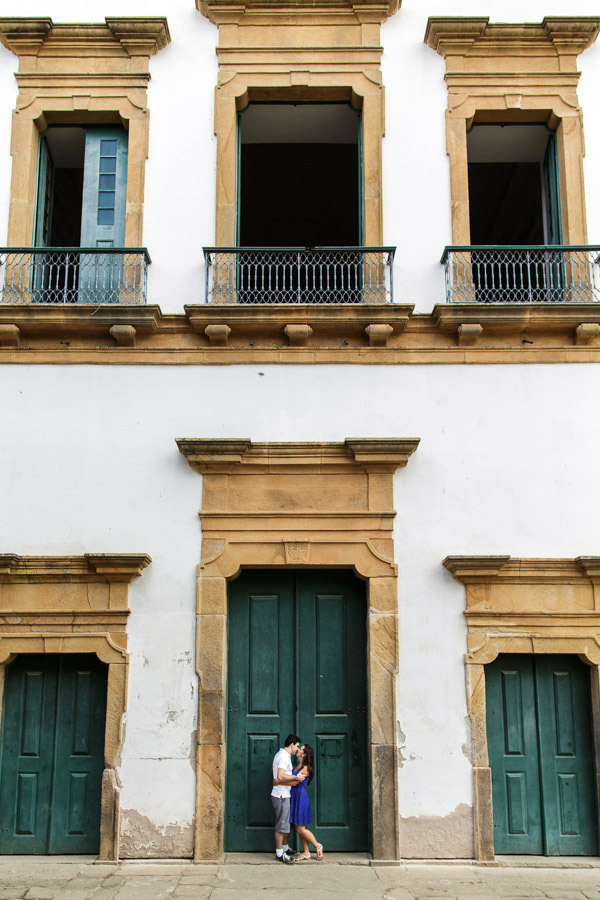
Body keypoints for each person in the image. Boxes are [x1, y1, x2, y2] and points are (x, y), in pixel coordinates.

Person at [275, 743, 323, 861]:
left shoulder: (305, 768)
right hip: (293, 795)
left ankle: (317, 845)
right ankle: (306, 852)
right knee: (298, 826)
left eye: (301, 749)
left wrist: (278, 782)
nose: (298, 750)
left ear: (304, 754)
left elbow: (295, 782)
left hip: (300, 796)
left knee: (300, 828)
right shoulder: (296, 765)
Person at [271, 734, 305, 863]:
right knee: (281, 825)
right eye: (297, 746)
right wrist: (295, 778)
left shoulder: (281, 755)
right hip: (281, 795)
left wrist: (277, 780)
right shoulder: (284, 757)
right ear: (292, 745)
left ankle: (284, 847)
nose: (297, 749)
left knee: (285, 824)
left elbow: (275, 774)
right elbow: (280, 775)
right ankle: (280, 853)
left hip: (283, 793)